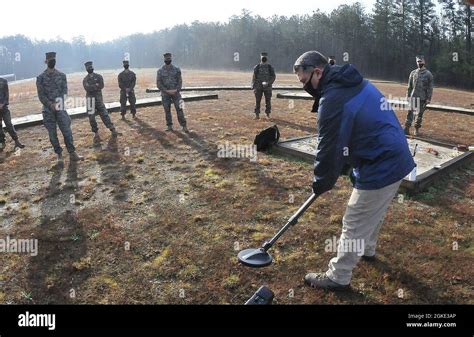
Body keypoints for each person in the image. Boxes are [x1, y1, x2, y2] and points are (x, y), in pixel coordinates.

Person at [293, 51, 415, 290]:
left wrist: (321, 181)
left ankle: (338, 276)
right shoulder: (346, 81)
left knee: (356, 216)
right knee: (374, 210)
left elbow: (329, 147)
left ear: (317, 72)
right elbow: (350, 132)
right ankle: (367, 249)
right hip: (391, 154)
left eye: (304, 82)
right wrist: (347, 166)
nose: (305, 87)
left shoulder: (334, 98)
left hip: (383, 160)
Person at [36, 52, 83, 162]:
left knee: (67, 131)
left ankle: (72, 153)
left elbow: (64, 92)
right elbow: (41, 95)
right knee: (52, 134)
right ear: (46, 61)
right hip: (48, 110)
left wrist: (58, 103)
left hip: (60, 107)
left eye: (54, 59)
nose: (52, 61)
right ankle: (59, 155)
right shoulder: (40, 78)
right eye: (50, 59)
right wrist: (50, 104)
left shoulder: (62, 76)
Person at [83, 61, 118, 137]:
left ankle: (112, 129)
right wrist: (95, 85)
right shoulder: (85, 79)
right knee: (91, 117)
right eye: (88, 68)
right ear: (86, 69)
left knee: (105, 115)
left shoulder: (99, 76)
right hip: (90, 101)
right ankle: (95, 132)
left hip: (99, 100)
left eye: (91, 67)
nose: (90, 68)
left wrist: (92, 86)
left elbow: (101, 85)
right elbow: (87, 88)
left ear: (93, 67)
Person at [156, 53, 188, 133]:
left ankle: (184, 126)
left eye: (169, 58)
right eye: (166, 59)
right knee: (167, 110)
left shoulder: (177, 69)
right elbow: (158, 83)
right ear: (164, 60)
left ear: (171, 59)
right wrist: (166, 91)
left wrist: (176, 90)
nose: (168, 60)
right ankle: (169, 126)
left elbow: (180, 81)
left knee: (180, 108)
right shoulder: (160, 71)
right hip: (165, 94)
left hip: (176, 93)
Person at [404, 55, 433, 136]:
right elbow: (409, 86)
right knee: (409, 113)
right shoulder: (413, 73)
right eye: (417, 61)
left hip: (422, 98)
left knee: (419, 114)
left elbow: (430, 88)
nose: (419, 63)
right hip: (413, 97)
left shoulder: (428, 74)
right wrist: (408, 96)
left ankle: (416, 130)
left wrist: (428, 98)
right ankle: (406, 128)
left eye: (420, 61)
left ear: (424, 62)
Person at [0, 77, 25, 150]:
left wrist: (3, 104)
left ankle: (17, 141)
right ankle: (2, 142)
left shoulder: (3, 81)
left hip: (4, 108)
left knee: (8, 124)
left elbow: (6, 94)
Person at [251, 52, 276, 119]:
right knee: (257, 101)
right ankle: (257, 115)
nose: (264, 57)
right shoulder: (257, 67)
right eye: (262, 56)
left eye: (265, 56)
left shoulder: (270, 67)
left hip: (267, 88)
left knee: (268, 101)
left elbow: (273, 76)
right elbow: (254, 78)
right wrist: (253, 87)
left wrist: (268, 83)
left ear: (267, 58)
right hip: (258, 87)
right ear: (260, 57)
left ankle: (267, 115)